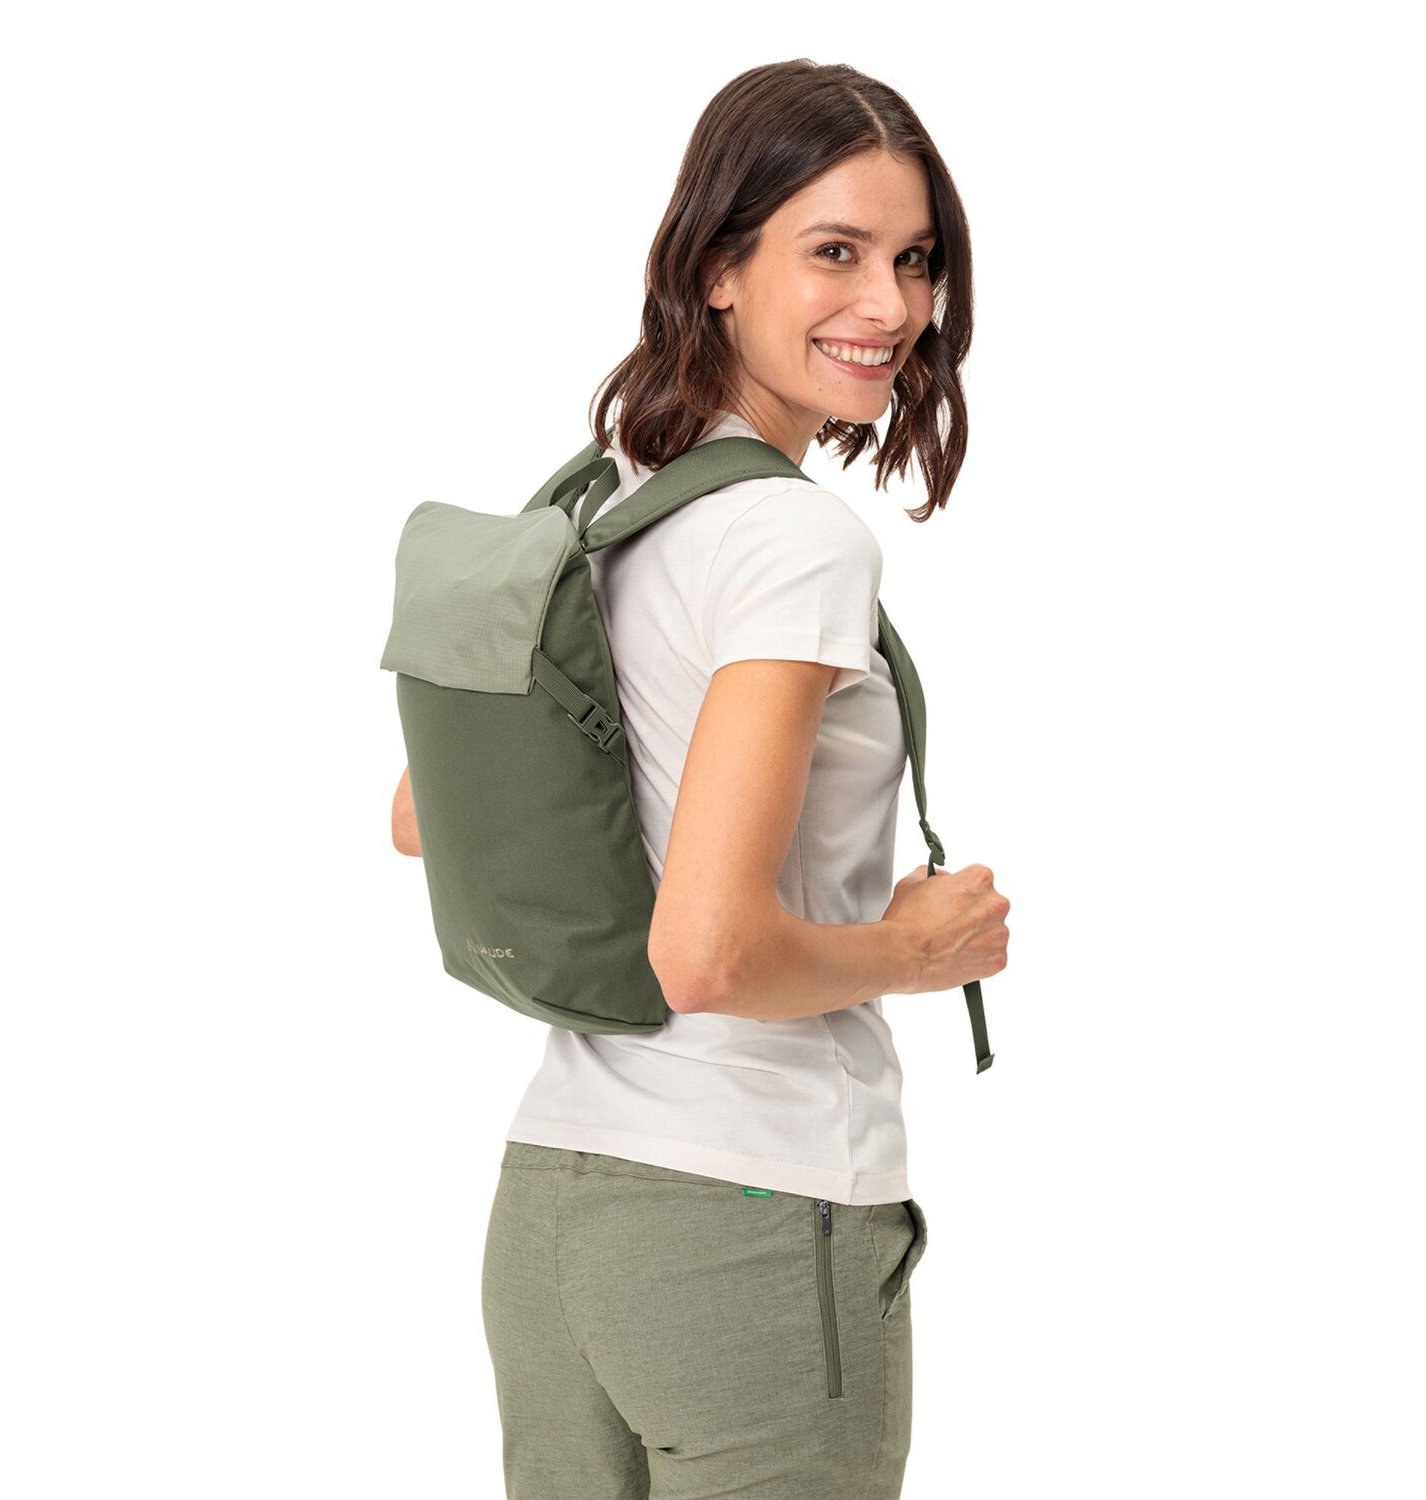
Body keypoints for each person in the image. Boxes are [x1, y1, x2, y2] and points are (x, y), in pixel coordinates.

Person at [391, 58, 1010, 1500]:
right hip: (752, 1210)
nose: (889, 306)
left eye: (915, 260)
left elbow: (428, 816)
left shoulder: (603, 500)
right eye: (834, 252)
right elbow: (710, 954)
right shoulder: (792, 539)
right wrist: (918, 951)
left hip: (554, 1210)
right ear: (718, 268)